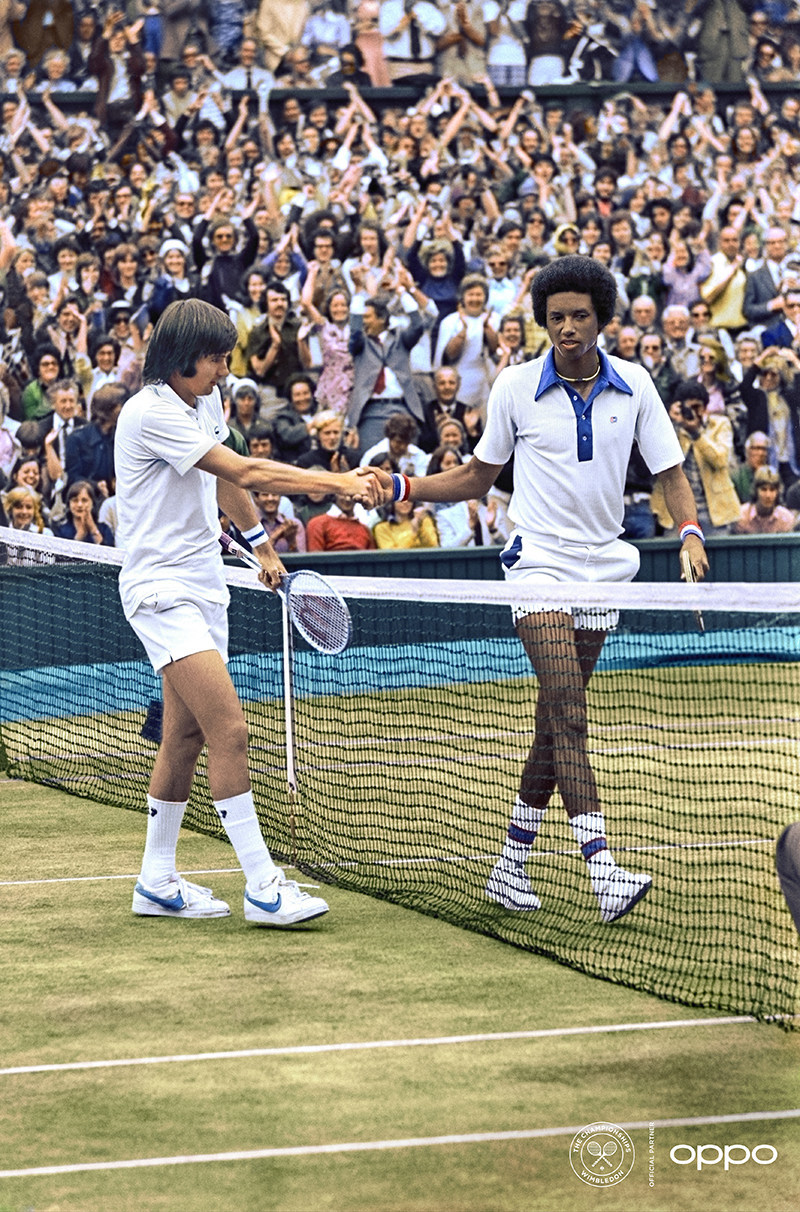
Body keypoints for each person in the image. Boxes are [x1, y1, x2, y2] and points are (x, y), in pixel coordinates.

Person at [372, 256, 707, 924]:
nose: (567, 328)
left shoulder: (635, 384)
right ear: (543, 321)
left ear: (602, 317)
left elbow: (671, 472)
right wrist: (405, 486)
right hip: (539, 565)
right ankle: (604, 870)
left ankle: (509, 867)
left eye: (580, 315)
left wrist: (691, 531)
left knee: (556, 718)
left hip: (604, 566)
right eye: (556, 317)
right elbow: (475, 479)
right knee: (570, 710)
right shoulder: (515, 387)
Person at [113, 299, 380, 926]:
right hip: (161, 592)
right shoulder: (150, 412)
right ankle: (263, 886)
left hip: (207, 585)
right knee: (230, 730)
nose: (224, 370)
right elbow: (245, 466)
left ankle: (155, 879)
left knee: (183, 733)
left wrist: (261, 546)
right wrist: (340, 483)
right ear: (182, 359)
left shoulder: (201, 402)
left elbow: (222, 478)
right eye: (215, 358)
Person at [733, 464, 796, 533]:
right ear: (756, 490)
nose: (768, 495)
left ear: (778, 492)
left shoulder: (786, 518)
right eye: (763, 489)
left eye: (772, 490)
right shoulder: (741, 516)